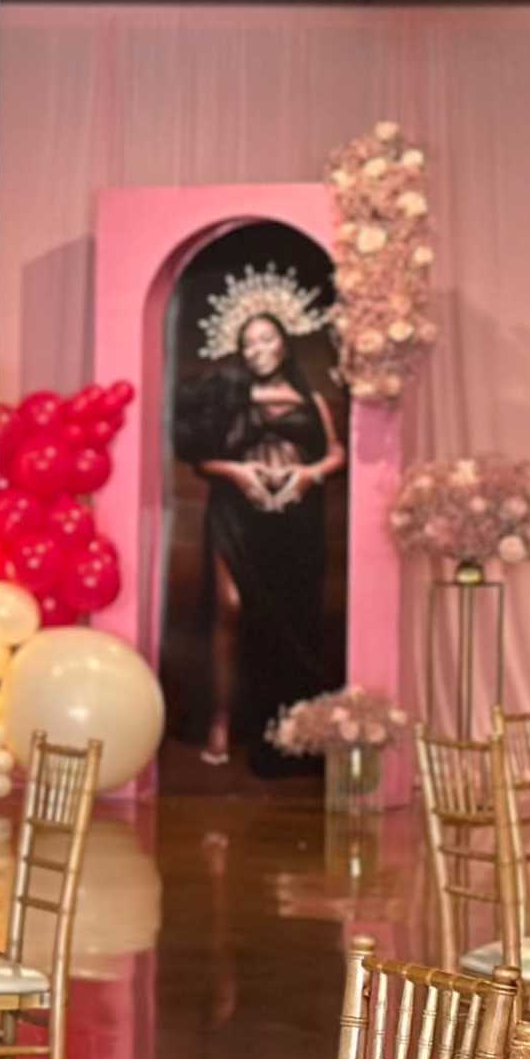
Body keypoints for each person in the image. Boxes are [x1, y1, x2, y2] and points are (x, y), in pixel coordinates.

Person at [178, 274, 346, 770]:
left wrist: (309, 476)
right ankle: (221, 721)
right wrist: (237, 471)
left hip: (295, 521)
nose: (257, 349)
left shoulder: (310, 398)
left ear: (284, 341)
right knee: (229, 608)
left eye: (266, 338)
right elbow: (200, 459)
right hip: (234, 513)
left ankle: (287, 724)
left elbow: (337, 453)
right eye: (248, 342)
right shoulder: (224, 394)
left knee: (290, 616)